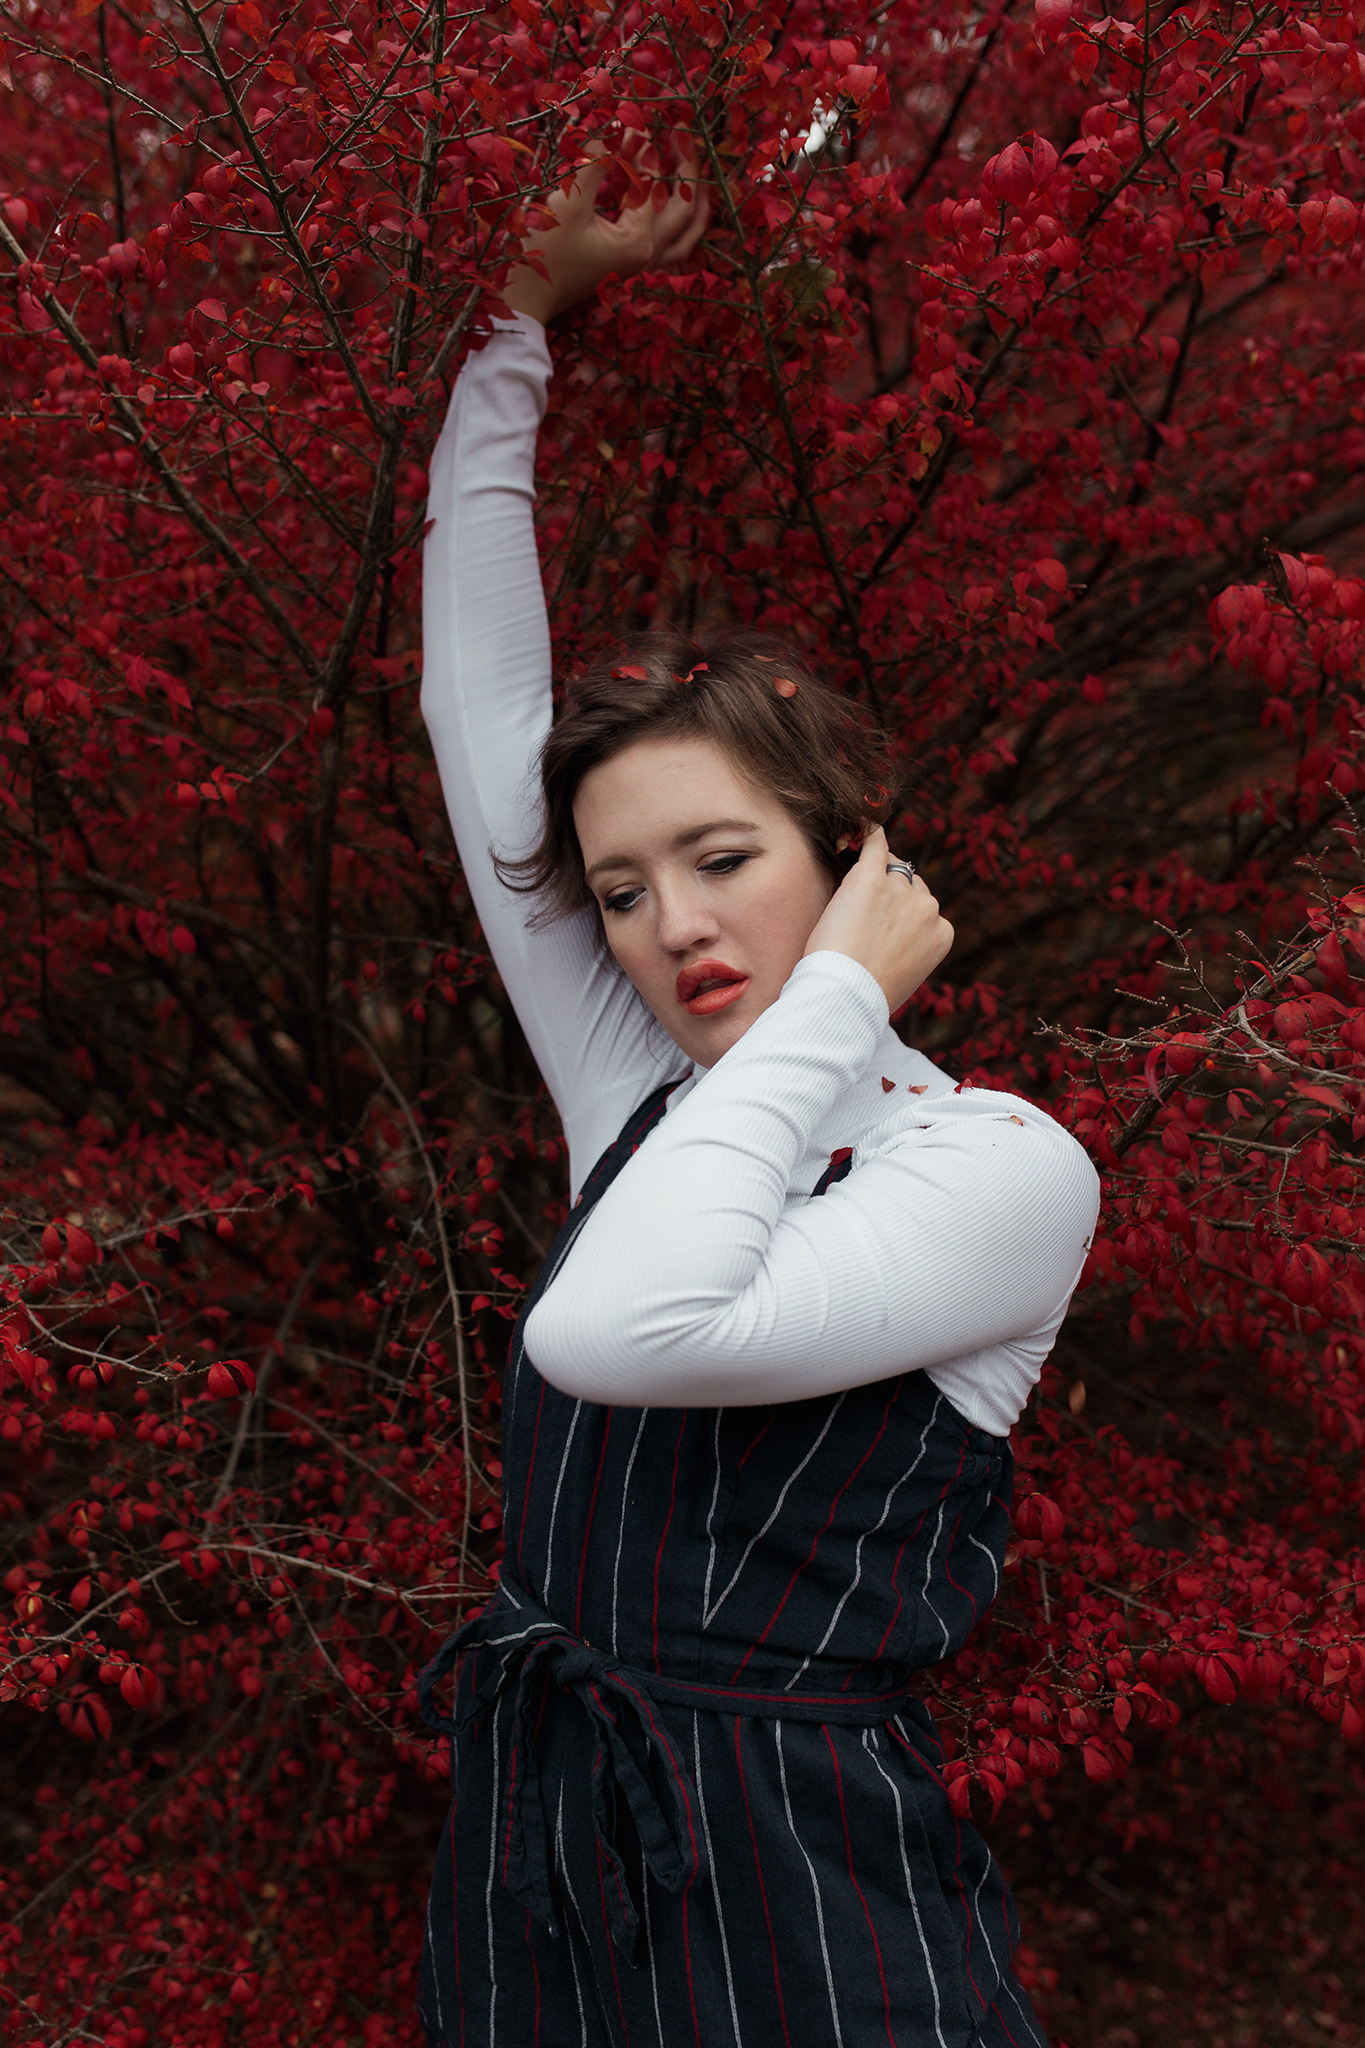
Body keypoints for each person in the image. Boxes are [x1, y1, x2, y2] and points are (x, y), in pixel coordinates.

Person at [416, 149, 1101, 2048]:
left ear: (846, 849)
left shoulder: (1000, 1169)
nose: (670, 928)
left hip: (802, 1879)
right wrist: (515, 328)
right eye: (621, 893)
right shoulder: (645, 1089)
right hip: (539, 1840)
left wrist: (836, 1000)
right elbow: (475, 714)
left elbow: (623, 1329)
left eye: (720, 860)